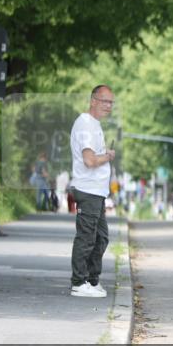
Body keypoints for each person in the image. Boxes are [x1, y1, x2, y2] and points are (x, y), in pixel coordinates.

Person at [68, 85, 116, 297]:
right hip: (88, 189)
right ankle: (79, 282)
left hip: (97, 191)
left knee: (101, 238)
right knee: (87, 237)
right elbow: (89, 160)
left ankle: (92, 279)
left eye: (111, 102)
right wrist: (107, 156)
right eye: (105, 101)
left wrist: (103, 154)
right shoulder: (86, 124)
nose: (108, 106)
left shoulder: (94, 124)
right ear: (93, 100)